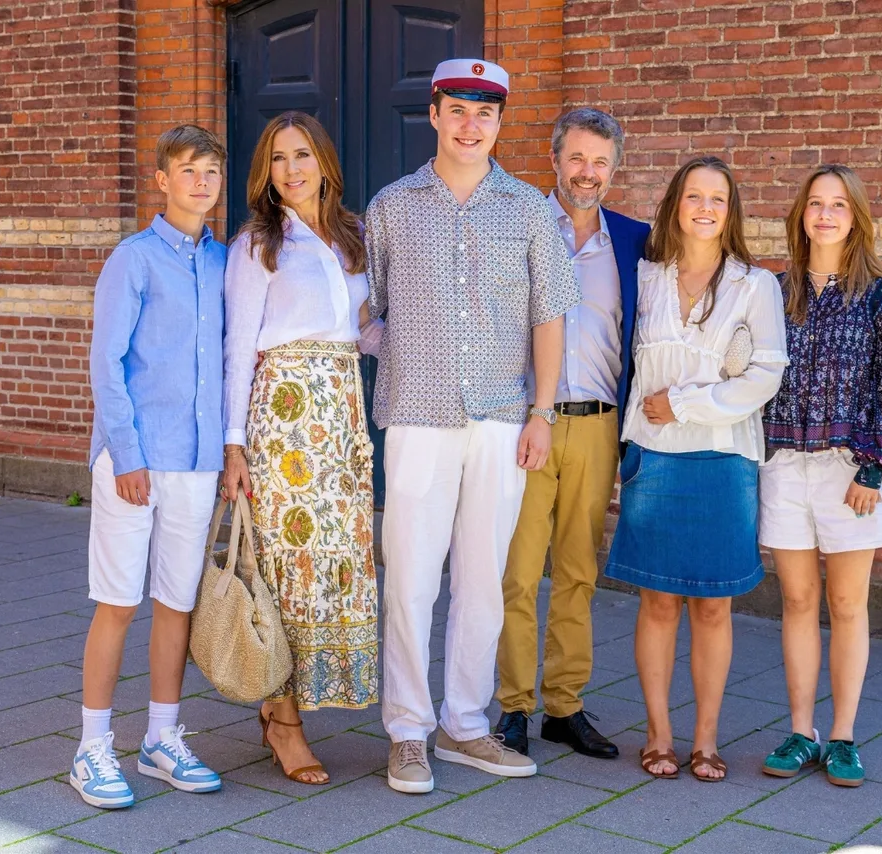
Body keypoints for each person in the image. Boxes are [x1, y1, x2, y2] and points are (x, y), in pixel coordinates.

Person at [367, 58, 580, 794]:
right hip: (416, 416)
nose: (470, 125)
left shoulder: (528, 210)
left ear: (499, 123)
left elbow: (550, 317)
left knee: (485, 580)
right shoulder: (392, 207)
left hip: (501, 418)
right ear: (433, 114)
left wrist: (542, 413)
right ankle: (407, 730)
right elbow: (369, 309)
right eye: (457, 109)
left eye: (485, 113)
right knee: (409, 580)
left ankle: (463, 724)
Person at [603, 156, 787, 782]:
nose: (705, 208)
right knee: (658, 601)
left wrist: (684, 403)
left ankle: (706, 739)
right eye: (693, 196)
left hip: (724, 459)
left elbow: (765, 376)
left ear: (730, 211)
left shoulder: (754, 285)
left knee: (712, 606)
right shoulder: (646, 275)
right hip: (655, 457)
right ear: (675, 205)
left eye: (717, 198)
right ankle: (658, 734)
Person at [221, 111, 381, 786]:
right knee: (286, 563)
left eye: (303, 155)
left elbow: (362, 333)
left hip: (341, 421)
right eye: (279, 158)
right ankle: (283, 720)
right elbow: (238, 348)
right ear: (266, 171)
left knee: (336, 557)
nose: (292, 169)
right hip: (283, 420)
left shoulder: (353, 236)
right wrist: (234, 447)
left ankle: (287, 702)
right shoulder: (258, 243)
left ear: (324, 162)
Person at [72, 125, 228, 809]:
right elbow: (106, 364)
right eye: (188, 170)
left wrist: (226, 453)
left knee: (177, 603)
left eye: (211, 170)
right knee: (118, 601)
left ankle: (162, 738)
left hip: (196, 461)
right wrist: (127, 456)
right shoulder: (132, 259)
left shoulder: (226, 262)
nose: (201, 182)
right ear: (162, 180)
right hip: (134, 459)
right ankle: (92, 748)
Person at [495, 108, 649, 759]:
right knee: (518, 572)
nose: (588, 172)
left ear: (615, 170)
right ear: (555, 159)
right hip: (528, 423)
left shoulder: (635, 241)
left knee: (579, 572)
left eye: (600, 162)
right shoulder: (519, 225)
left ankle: (564, 705)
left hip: (597, 425)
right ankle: (512, 707)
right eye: (577, 158)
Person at [759, 164, 882, 788]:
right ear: (801, 215)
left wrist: (874, 469)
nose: (825, 215)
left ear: (856, 218)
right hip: (783, 464)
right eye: (816, 204)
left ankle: (844, 737)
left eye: (838, 205)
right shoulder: (774, 291)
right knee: (797, 601)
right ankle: (802, 732)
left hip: (851, 470)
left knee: (847, 604)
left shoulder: (881, 295)